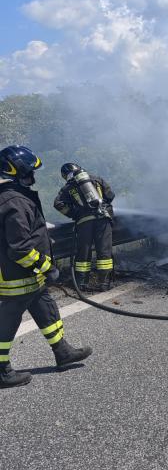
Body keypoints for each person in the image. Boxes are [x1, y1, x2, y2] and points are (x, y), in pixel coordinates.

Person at [0, 145, 93, 388]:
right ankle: (1, 371)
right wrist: (46, 266)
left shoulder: (15, 196)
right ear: (16, 171)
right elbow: (19, 247)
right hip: (15, 275)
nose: (33, 176)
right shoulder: (13, 201)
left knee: (44, 305)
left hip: (27, 273)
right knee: (8, 320)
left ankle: (62, 351)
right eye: (29, 172)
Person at [54, 163, 115, 291]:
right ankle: (104, 283)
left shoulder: (68, 187)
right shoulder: (97, 179)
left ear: (66, 175)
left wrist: (74, 213)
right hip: (103, 219)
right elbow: (110, 195)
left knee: (83, 253)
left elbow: (58, 203)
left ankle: (81, 283)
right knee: (104, 252)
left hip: (84, 223)